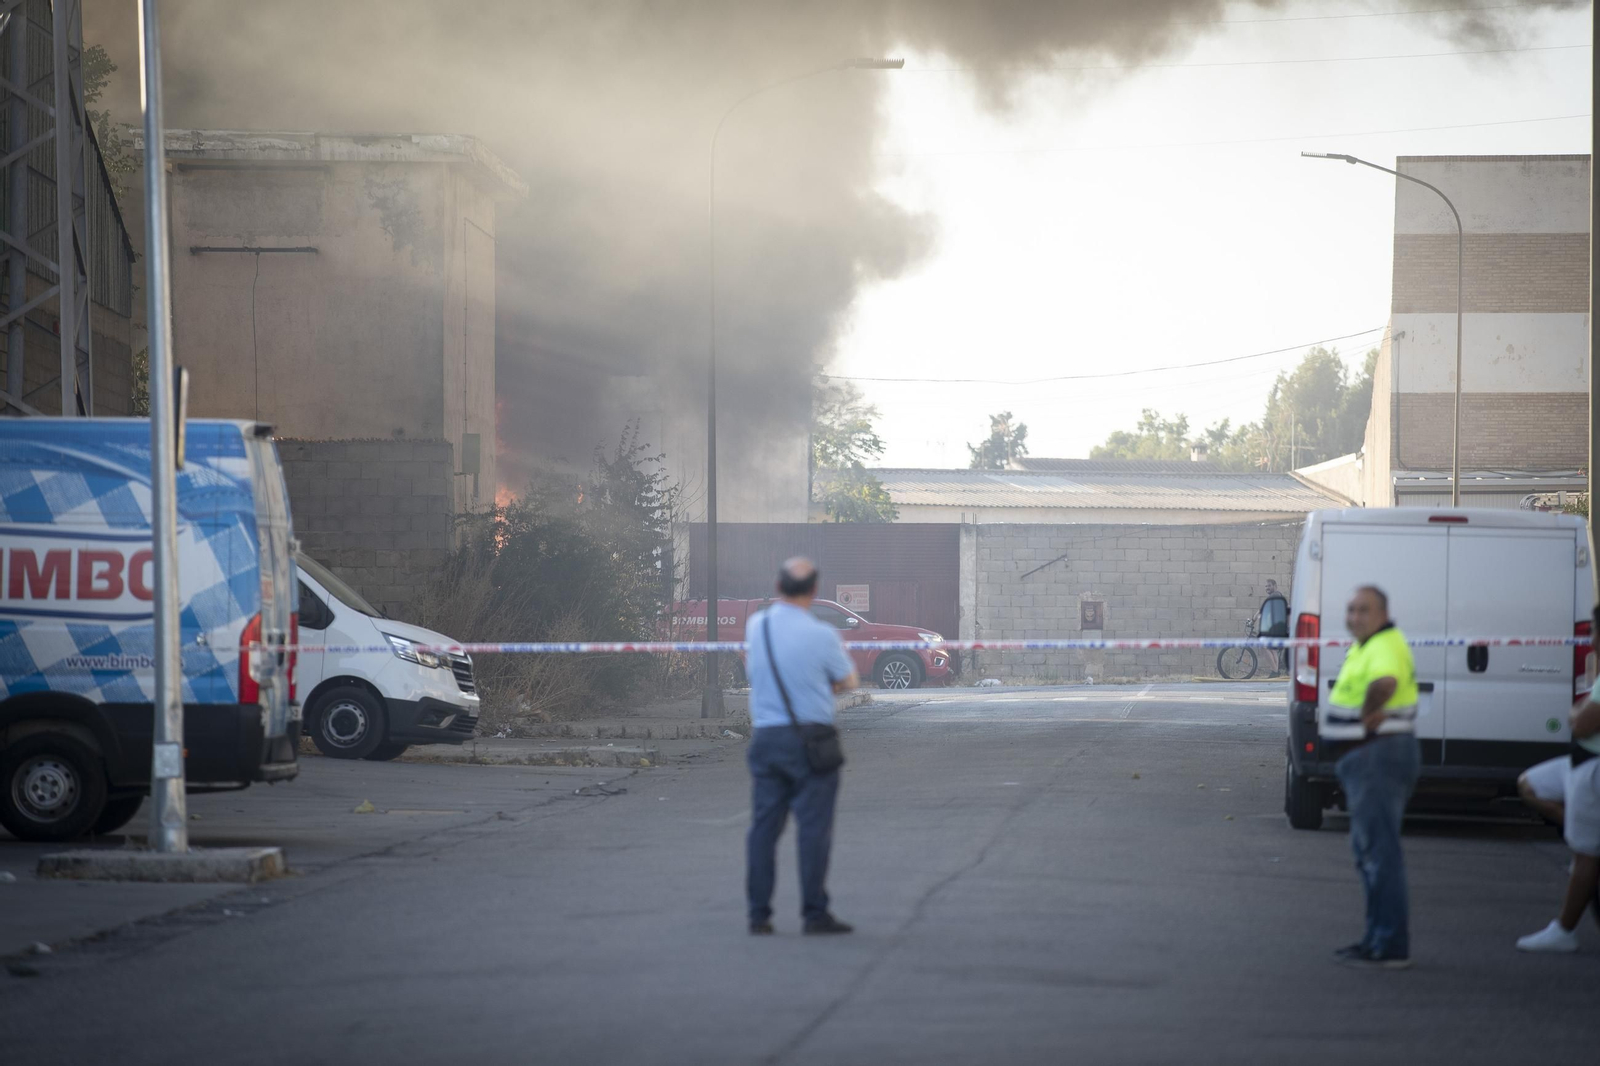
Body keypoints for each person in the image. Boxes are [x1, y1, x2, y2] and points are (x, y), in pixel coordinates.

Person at [743, 557, 858, 936]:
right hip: (812, 741)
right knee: (813, 829)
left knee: (764, 828)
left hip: (766, 738)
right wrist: (823, 687)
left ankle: (759, 915)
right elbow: (848, 681)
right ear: (814, 590)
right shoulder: (823, 634)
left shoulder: (756, 626)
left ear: (778, 587)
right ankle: (814, 914)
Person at [1329, 585, 1421, 970]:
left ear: (1382, 614)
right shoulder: (1368, 645)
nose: (1354, 617)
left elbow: (1385, 684)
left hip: (1378, 756)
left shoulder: (1384, 643)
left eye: (1363, 610)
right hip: (1368, 759)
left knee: (1380, 855)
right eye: (1350, 610)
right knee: (1370, 854)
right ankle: (1375, 939)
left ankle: (1389, 945)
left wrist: (1367, 714)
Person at [1516, 608, 1600, 953]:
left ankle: (1564, 929)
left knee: (1585, 857)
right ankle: (1585, 837)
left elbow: (1582, 722)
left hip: (1593, 768)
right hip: (1579, 762)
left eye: (1594, 631)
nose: (1590, 638)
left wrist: (1576, 713)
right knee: (1530, 785)